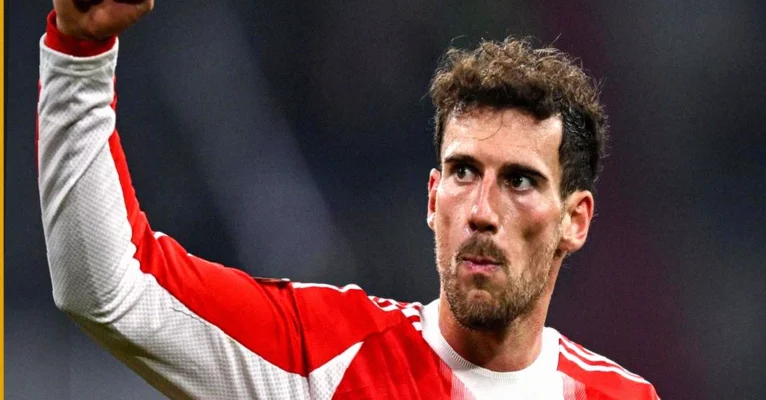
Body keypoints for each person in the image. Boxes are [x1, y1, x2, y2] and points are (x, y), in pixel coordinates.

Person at [37, 0, 660, 399]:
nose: (480, 211)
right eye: (464, 172)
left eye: (519, 181)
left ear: (575, 220)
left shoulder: (622, 398)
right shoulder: (327, 358)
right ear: (432, 198)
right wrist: (79, 54)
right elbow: (111, 288)